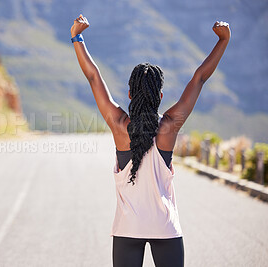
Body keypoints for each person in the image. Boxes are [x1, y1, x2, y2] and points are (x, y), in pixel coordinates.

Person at [71, 14, 230, 267]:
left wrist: (77, 37)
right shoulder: (168, 127)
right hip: (164, 228)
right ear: (160, 95)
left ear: (130, 94)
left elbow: (93, 77)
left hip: (127, 229)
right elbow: (199, 78)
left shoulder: (119, 125)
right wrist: (223, 41)